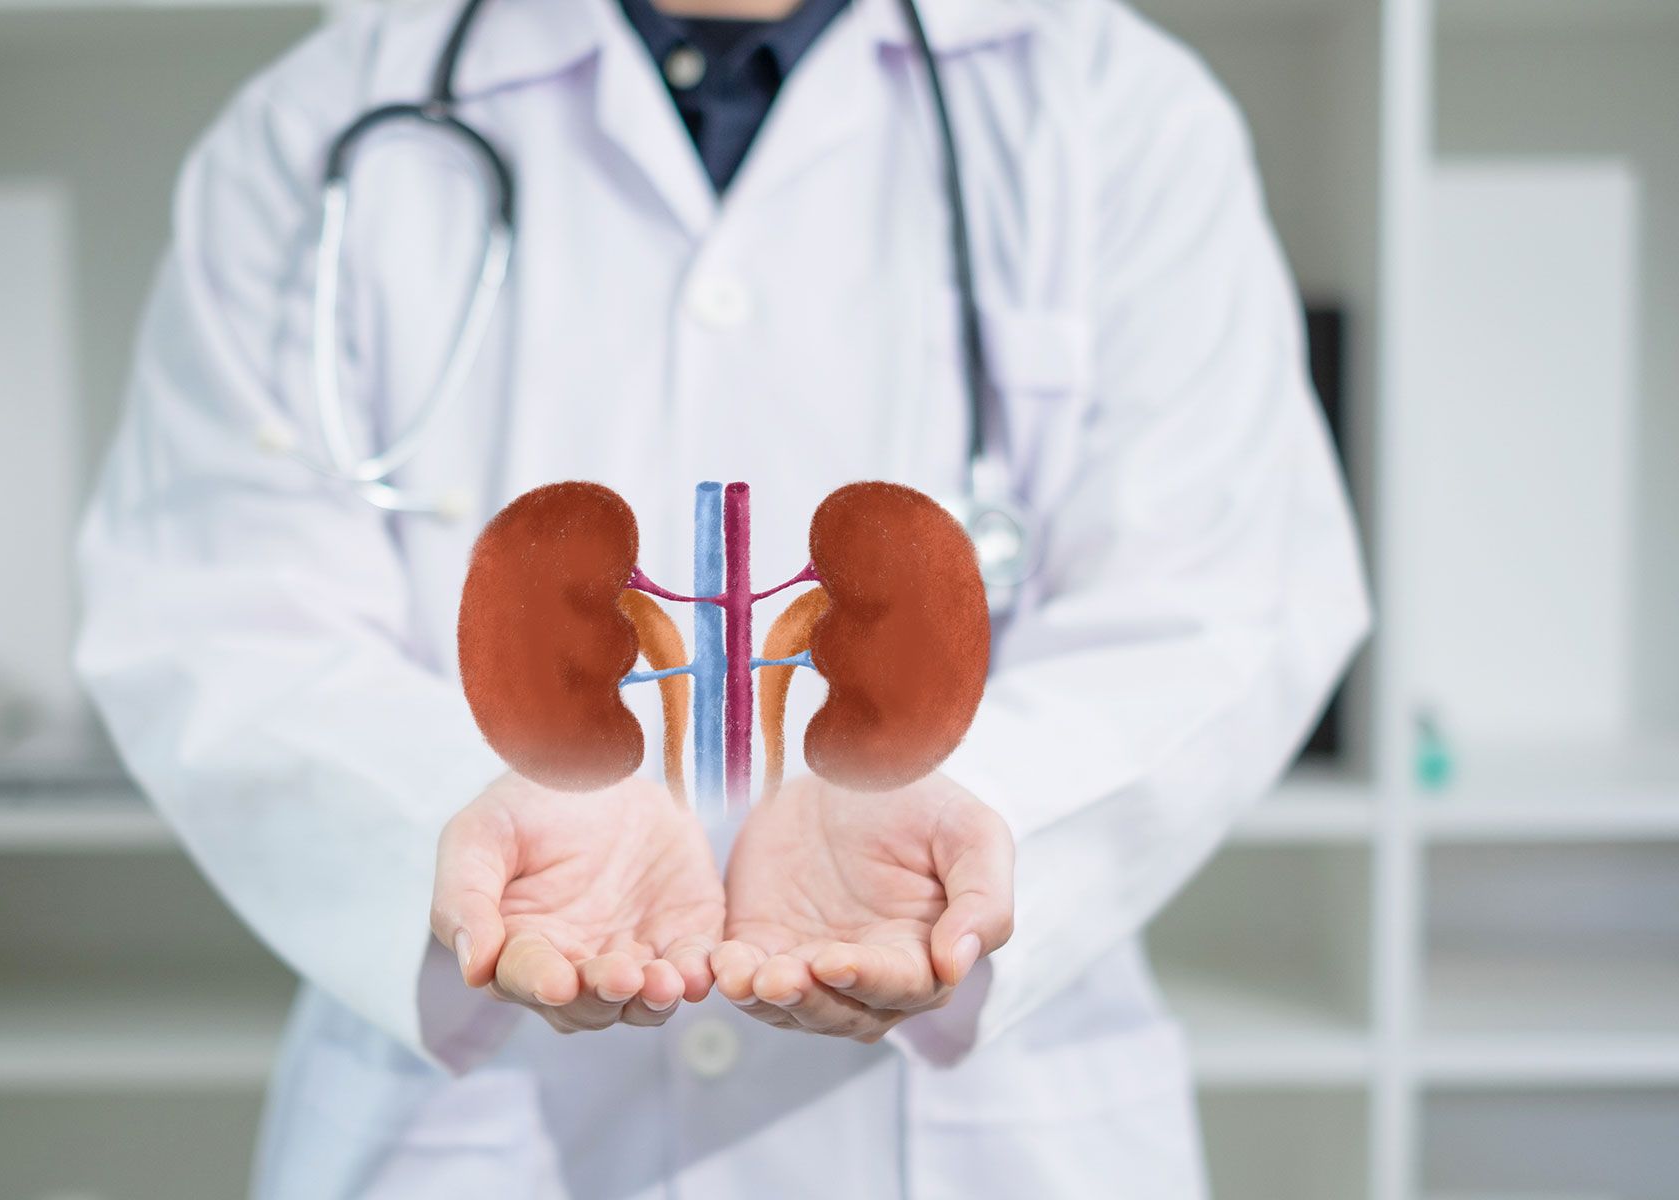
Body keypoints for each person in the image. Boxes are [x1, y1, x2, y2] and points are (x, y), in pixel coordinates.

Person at [74, 0, 1370, 1192]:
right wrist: (457, 809)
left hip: (980, 1138)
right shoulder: (324, 120)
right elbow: (216, 610)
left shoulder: (1116, 107)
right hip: (472, 1135)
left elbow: (1225, 595)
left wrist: (982, 804)